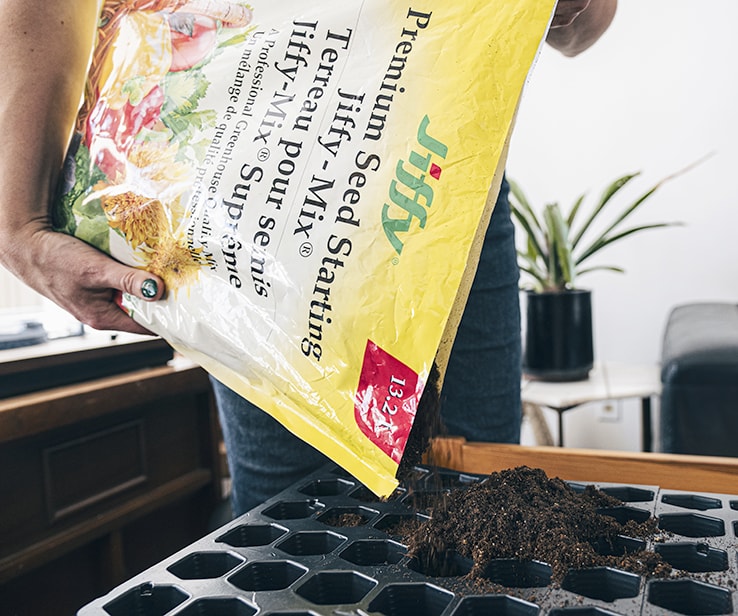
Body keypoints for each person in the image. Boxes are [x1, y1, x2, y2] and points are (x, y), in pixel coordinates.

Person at [0, 0, 616, 516]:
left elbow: (587, 22)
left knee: (474, 513)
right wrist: (17, 226)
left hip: (441, 184)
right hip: (240, 198)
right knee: (291, 533)